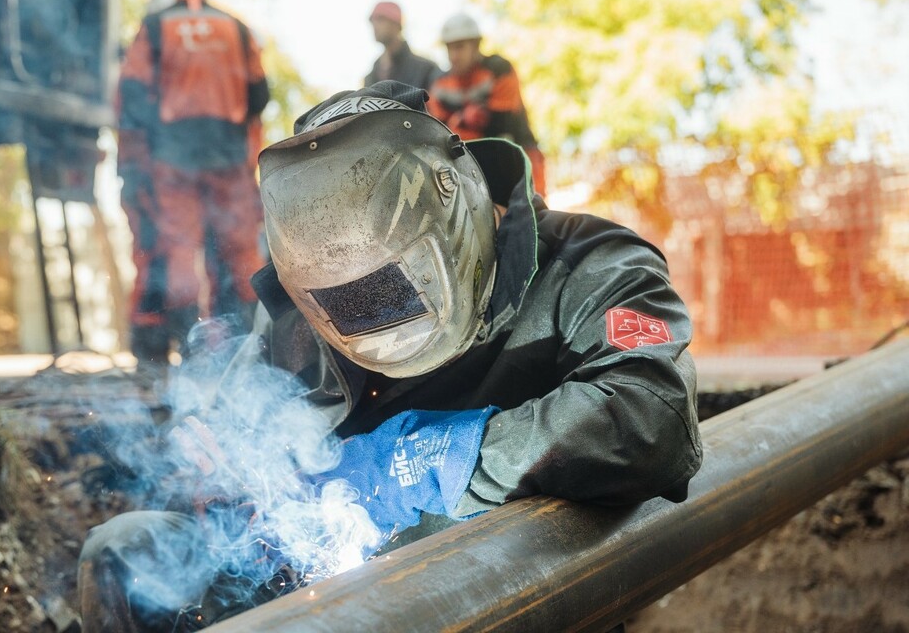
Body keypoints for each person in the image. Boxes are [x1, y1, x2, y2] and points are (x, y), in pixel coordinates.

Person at [79, 82, 702, 630]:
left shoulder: (593, 265)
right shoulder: (299, 301)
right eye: (340, 303)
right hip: (331, 595)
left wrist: (415, 462)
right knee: (126, 550)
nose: (369, 320)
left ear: (453, 203)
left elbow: (652, 417)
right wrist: (226, 478)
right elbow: (233, 434)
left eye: (386, 289)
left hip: (499, 589)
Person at [118, 0, 270, 362]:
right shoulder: (236, 28)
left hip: (175, 162)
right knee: (239, 254)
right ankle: (250, 354)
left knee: (180, 252)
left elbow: (131, 93)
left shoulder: (154, 27)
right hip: (228, 161)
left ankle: (191, 353)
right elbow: (259, 95)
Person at [427, 12, 547, 196]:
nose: (453, 56)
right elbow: (439, 132)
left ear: (476, 45)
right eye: (449, 48)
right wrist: (464, 118)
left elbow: (502, 121)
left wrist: (459, 122)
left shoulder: (500, 69)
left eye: (459, 47)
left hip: (520, 157)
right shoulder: (440, 84)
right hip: (473, 170)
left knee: (534, 216)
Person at [364, 1, 441, 90]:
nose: (375, 26)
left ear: (396, 23)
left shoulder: (426, 70)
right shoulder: (371, 76)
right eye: (372, 21)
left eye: (380, 20)